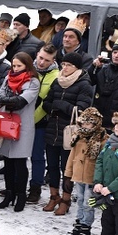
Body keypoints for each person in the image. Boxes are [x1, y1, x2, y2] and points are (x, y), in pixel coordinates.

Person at [41, 52, 94, 214]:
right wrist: (53, 106)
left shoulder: (84, 84)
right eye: (63, 64)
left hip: (70, 132)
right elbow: (46, 103)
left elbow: (82, 110)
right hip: (53, 129)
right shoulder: (57, 81)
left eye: (69, 65)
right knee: (51, 166)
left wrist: (60, 105)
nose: (64, 68)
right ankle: (53, 195)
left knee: (67, 168)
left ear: (76, 67)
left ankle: (66, 199)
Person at [0, 52, 41, 211]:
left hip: (23, 125)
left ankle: (21, 194)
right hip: (7, 123)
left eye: (19, 66)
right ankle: (9, 193)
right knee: (7, 161)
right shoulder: (8, 77)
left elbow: (21, 102)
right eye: (14, 65)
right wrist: (9, 100)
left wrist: (9, 100)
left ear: (27, 66)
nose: (15, 69)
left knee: (20, 163)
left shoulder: (33, 82)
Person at [65, 107, 108, 235]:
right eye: (83, 123)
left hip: (92, 178)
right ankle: (79, 223)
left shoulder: (102, 140)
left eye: (88, 123)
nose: (85, 126)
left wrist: (100, 180)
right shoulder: (78, 137)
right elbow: (72, 156)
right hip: (78, 176)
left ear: (96, 124)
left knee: (88, 203)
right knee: (80, 200)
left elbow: (103, 162)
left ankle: (86, 226)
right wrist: (68, 175)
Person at [27, 44, 59, 203]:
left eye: (46, 60)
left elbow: (47, 103)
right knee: (16, 156)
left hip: (40, 122)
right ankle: (16, 184)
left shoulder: (55, 76)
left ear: (53, 60)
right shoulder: (28, 68)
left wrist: (31, 120)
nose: (41, 62)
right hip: (22, 118)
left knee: (37, 156)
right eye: (40, 58)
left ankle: (35, 187)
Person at [88, 32, 118, 130]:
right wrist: (93, 68)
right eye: (114, 52)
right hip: (96, 118)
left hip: (116, 123)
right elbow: (90, 81)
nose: (116, 55)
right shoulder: (104, 68)